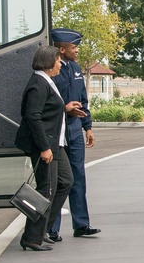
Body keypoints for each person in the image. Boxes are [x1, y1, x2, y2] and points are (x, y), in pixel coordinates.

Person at [14, 46, 81, 251]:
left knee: (65, 182)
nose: (61, 64)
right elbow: (33, 116)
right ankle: (32, 237)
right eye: (58, 60)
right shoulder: (38, 84)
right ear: (48, 62)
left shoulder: (45, 81)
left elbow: (47, 109)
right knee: (46, 189)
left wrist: (65, 108)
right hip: (46, 146)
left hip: (55, 144)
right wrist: (43, 148)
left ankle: (42, 230)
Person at [47, 28, 101, 241]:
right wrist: (64, 109)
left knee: (78, 177)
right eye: (73, 47)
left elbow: (83, 100)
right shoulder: (51, 70)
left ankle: (81, 224)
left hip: (75, 130)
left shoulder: (76, 69)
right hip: (57, 131)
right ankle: (52, 229)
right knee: (59, 180)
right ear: (61, 49)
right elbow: (46, 102)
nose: (77, 51)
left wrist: (87, 126)